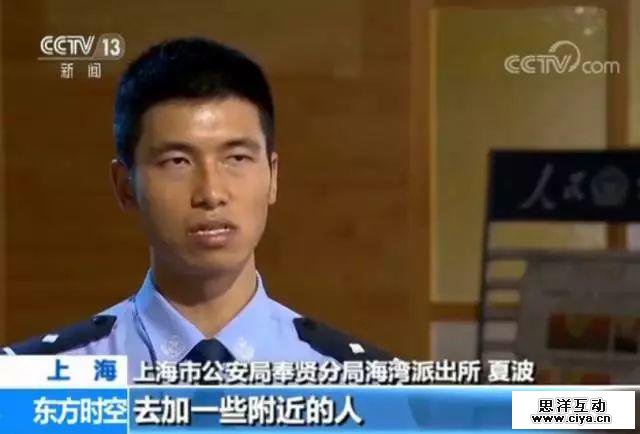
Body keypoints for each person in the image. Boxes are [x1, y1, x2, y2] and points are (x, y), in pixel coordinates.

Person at [3, 37, 390, 380]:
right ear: (125, 187)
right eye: (177, 162)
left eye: (236, 158)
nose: (211, 193)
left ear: (272, 176)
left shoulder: (368, 389)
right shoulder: (35, 386)